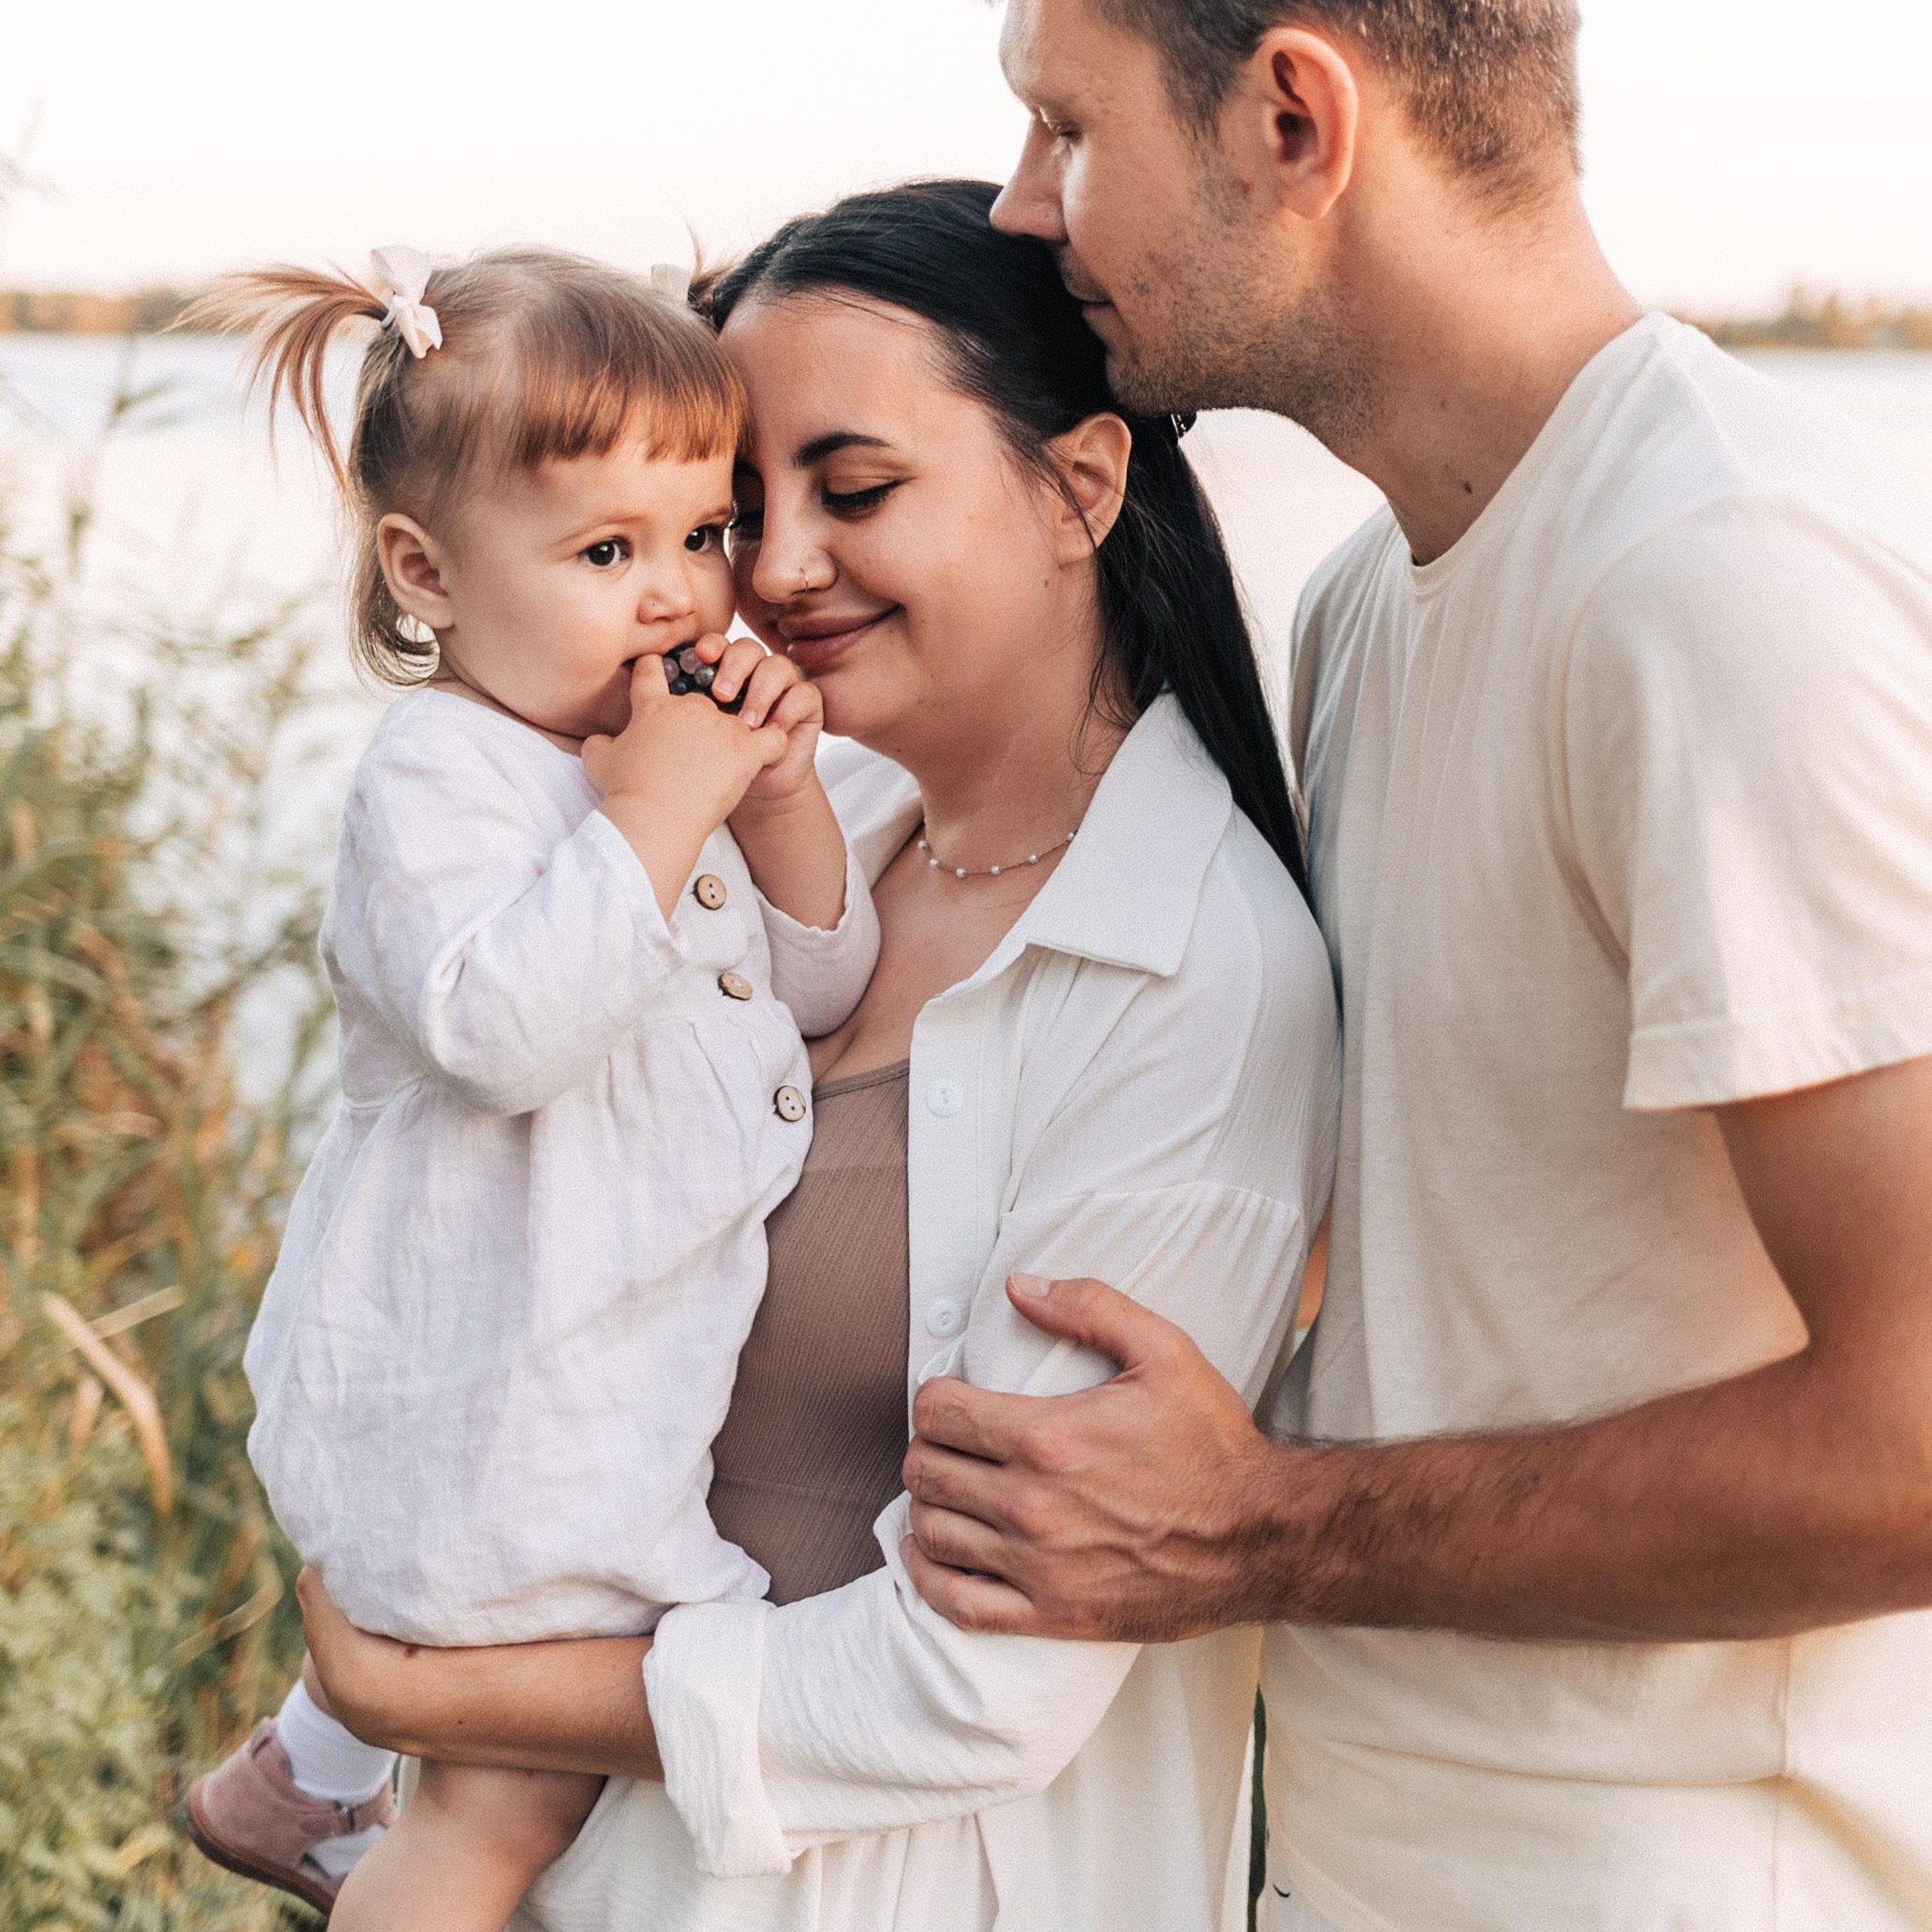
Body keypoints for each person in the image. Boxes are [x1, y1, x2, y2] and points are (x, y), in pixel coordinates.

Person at [895, 3, 1932, 1929]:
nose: (1024, 209)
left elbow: (1915, 1440)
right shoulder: (1376, 597)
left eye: (1064, 129)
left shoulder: (1718, 582)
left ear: (1290, 118)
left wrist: (1251, 1529)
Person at [294, 178, 1340, 1931]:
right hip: (587, 1879)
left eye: (851, 491)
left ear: (1080, 484)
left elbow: (974, 1679)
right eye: (739, 508)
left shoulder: (1193, 972)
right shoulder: (810, 811)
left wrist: (438, 1700)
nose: (765, 574)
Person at [180, 245, 880, 1929]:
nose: (679, 596)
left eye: (702, 534)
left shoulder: (654, 753)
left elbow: (819, 986)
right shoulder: (439, 780)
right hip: (485, 1393)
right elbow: (502, 1025)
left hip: (579, 1380)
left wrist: (774, 797)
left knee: (506, 1763)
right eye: (604, 551)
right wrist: (658, 809)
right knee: (501, 1804)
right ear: (423, 570)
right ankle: (322, 1797)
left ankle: (291, 1776)